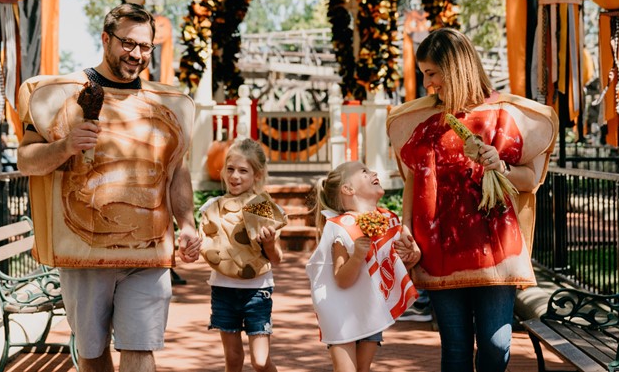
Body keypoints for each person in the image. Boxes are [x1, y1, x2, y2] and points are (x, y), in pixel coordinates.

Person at [17, 3, 200, 372]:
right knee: (93, 354)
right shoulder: (58, 97)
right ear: (106, 39)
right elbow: (26, 161)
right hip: (83, 253)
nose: (137, 54)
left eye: (145, 47)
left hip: (147, 255)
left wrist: (188, 222)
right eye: (128, 43)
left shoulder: (169, 105)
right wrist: (65, 146)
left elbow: (176, 170)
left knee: (140, 348)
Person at [387, 28, 556, 372]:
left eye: (432, 73)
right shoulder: (423, 119)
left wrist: (501, 166)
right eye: (425, 75)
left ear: (455, 67)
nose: (428, 84)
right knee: (456, 350)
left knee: (497, 348)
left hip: (496, 250)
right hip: (439, 249)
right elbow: (413, 180)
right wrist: (405, 227)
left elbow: (528, 181)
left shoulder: (504, 115)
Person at [306, 162, 420, 372]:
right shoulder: (341, 227)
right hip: (340, 311)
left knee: (363, 369)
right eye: (364, 172)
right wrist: (358, 255)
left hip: (369, 308)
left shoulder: (387, 220)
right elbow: (341, 279)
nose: (374, 172)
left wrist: (410, 255)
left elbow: (394, 265)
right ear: (348, 189)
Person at [198, 139, 283, 372]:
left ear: (257, 175)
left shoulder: (261, 207)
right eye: (230, 169)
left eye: (243, 171)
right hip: (223, 289)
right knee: (233, 359)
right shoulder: (213, 207)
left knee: (261, 361)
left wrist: (269, 243)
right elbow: (206, 247)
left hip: (257, 290)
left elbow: (276, 259)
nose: (235, 176)